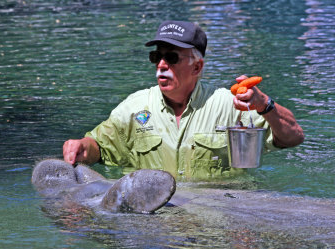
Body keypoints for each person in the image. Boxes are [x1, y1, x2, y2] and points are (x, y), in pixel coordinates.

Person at [62, 20, 304, 181]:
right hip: (153, 224)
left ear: (197, 66)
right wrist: (82, 147)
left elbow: (293, 137)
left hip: (223, 218)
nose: (161, 65)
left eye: (172, 57)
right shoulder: (134, 107)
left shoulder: (230, 105)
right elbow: (100, 147)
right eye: (156, 56)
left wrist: (264, 105)